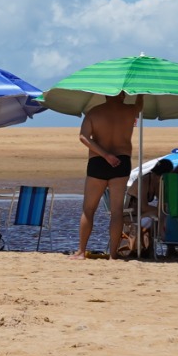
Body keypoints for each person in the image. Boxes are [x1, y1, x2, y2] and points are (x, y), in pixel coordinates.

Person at [75, 92, 139, 257]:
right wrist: (140, 93)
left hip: (98, 160)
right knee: (117, 211)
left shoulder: (94, 112)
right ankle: (113, 254)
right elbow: (141, 104)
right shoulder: (132, 110)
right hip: (121, 161)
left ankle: (81, 251)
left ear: (105, 93)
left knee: (89, 209)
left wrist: (105, 155)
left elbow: (83, 137)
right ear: (123, 94)